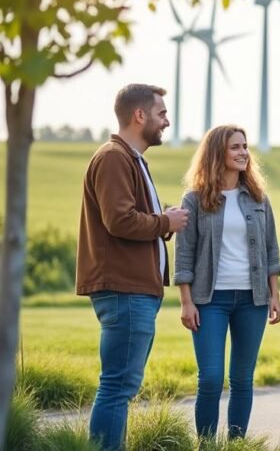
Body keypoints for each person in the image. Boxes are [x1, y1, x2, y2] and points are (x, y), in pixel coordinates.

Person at [75, 84, 190, 450]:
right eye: (161, 113)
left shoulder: (132, 159)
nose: (166, 122)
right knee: (117, 385)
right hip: (124, 288)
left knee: (120, 384)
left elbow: (130, 219)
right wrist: (164, 223)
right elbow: (120, 221)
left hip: (136, 288)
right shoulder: (114, 158)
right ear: (139, 115)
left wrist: (162, 222)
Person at [174, 125, 280, 442]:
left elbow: (271, 249)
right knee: (210, 378)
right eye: (235, 147)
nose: (243, 153)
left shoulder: (258, 198)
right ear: (216, 153)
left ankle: (236, 445)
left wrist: (274, 295)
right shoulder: (194, 199)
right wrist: (186, 300)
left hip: (253, 300)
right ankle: (206, 445)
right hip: (210, 301)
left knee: (242, 379)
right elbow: (184, 253)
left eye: (245, 147)